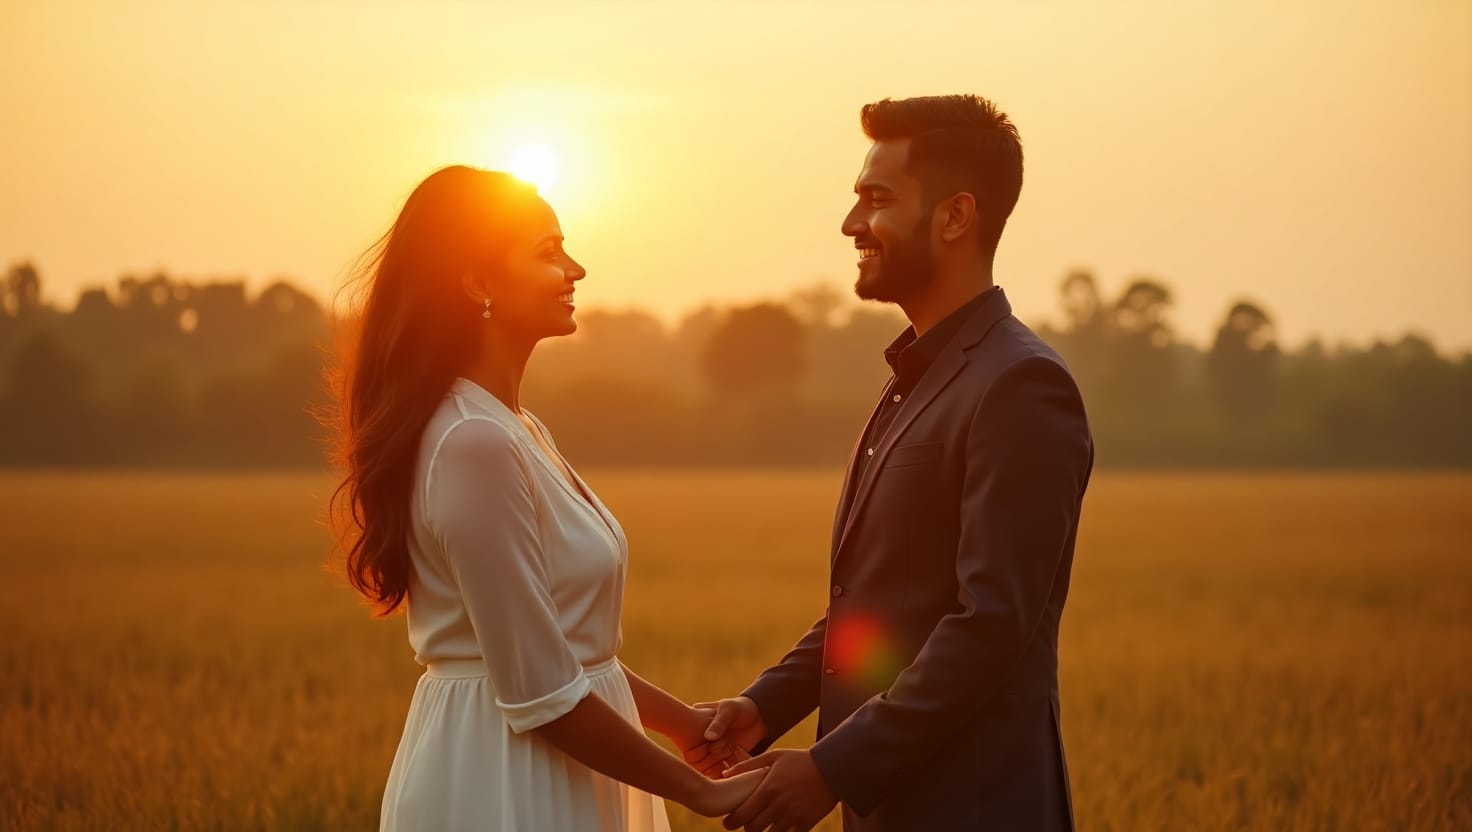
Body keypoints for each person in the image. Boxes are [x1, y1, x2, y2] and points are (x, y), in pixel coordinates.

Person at [691, 95, 1094, 831]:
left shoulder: (1020, 385)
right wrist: (766, 705)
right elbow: (878, 608)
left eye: (876, 200)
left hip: (978, 812)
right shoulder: (914, 377)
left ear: (955, 216)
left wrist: (831, 768)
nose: (851, 224)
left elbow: (991, 627)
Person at [327, 165, 762, 831]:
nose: (575, 269)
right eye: (548, 252)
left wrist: (682, 724)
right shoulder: (476, 443)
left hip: (558, 760)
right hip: (505, 776)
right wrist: (699, 792)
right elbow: (541, 691)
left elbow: (563, 650)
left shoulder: (515, 429)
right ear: (478, 282)